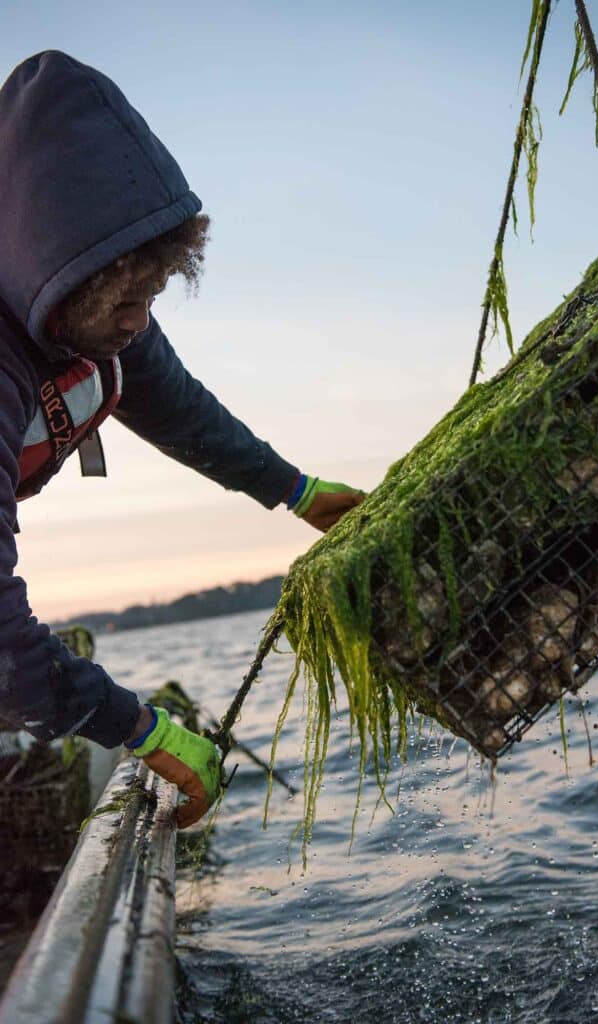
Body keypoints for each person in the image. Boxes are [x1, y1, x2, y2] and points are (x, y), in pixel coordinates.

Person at [0, 51, 365, 827]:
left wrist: (294, 490)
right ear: (58, 274)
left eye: (154, 293)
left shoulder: (94, 314)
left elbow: (179, 410)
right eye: (125, 297)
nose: (137, 320)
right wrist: (137, 728)